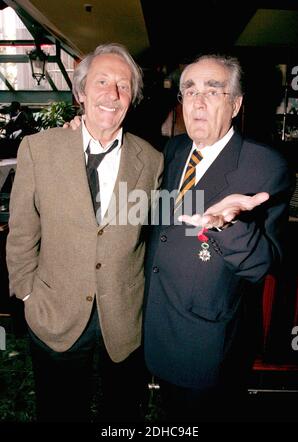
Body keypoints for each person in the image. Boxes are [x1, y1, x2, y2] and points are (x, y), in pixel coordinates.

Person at [6, 43, 164, 422]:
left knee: (123, 416)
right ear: (80, 92)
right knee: (59, 413)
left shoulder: (152, 161)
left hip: (125, 319)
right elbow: (22, 231)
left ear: (133, 98)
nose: (112, 95)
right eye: (102, 82)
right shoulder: (38, 150)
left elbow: (155, 235)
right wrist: (28, 293)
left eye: (123, 86)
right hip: (53, 312)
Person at [142, 54, 294, 421]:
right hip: (159, 325)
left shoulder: (264, 165)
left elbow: (263, 265)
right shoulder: (175, 150)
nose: (197, 100)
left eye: (213, 90)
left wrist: (228, 226)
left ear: (236, 104)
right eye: (189, 90)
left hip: (208, 342)